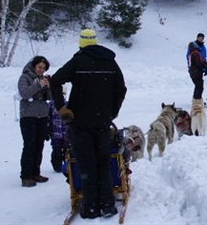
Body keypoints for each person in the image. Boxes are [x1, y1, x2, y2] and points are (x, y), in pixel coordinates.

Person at [50, 29, 127, 219]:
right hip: (102, 122)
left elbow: (55, 81)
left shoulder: (78, 61)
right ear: (95, 42)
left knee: (86, 163)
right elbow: (121, 89)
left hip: (80, 122)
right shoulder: (110, 61)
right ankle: (108, 204)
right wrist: (112, 112)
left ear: (81, 43)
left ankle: (90, 206)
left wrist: (62, 107)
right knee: (103, 162)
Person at [17, 55, 52, 187]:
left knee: (39, 145)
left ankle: (35, 172)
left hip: (42, 115)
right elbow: (24, 93)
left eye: (43, 68)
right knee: (29, 145)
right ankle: (26, 175)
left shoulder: (43, 79)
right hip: (28, 116)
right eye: (39, 67)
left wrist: (49, 87)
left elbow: (50, 98)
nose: (41, 70)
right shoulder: (24, 77)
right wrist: (38, 85)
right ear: (34, 66)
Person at [49, 86, 69, 173]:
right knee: (56, 149)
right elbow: (48, 117)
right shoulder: (51, 105)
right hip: (55, 132)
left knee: (67, 149)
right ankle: (57, 166)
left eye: (64, 94)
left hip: (66, 132)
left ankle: (67, 165)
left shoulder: (68, 104)